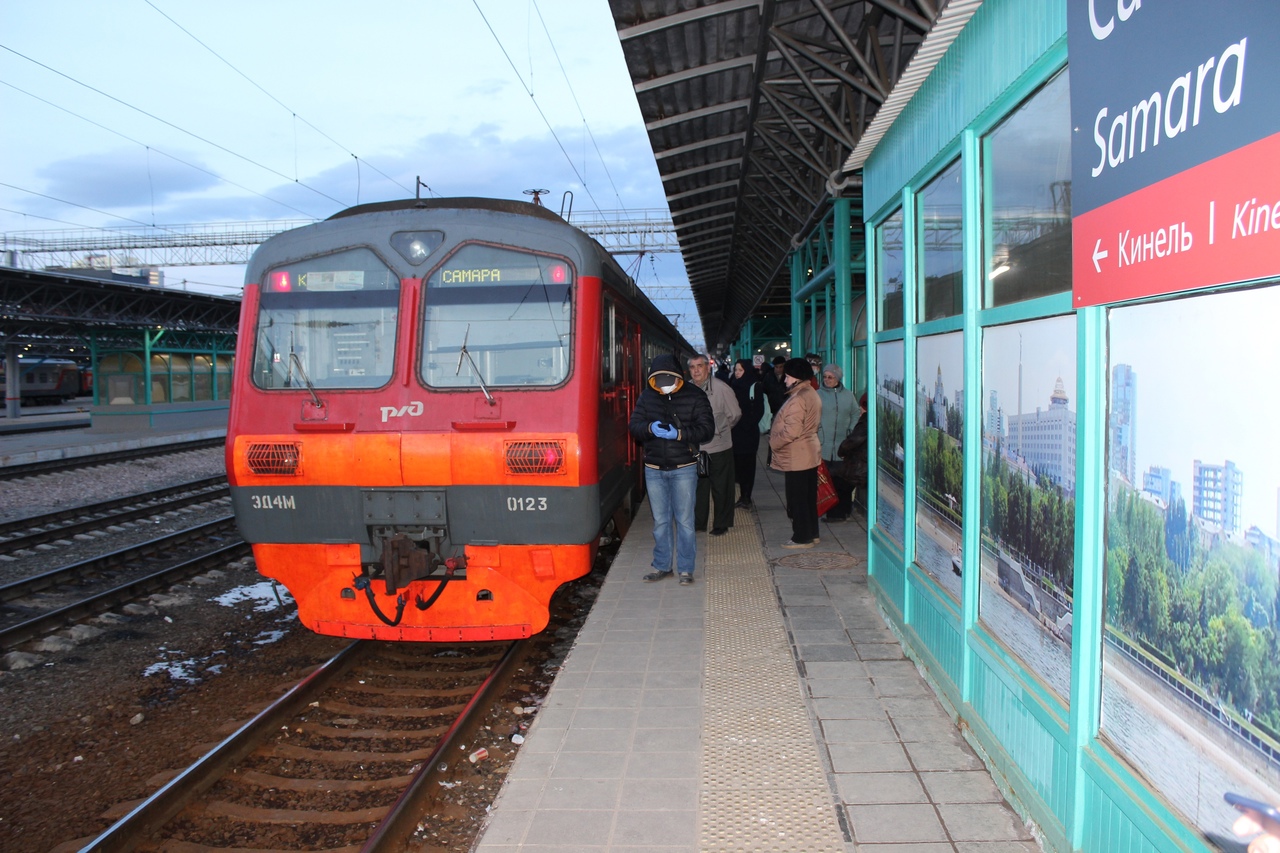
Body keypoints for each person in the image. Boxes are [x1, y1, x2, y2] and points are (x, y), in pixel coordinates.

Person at [628, 353, 714, 585]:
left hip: (684, 466)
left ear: (678, 377)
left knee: (685, 521)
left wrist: (679, 434)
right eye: (659, 380)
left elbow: (707, 429)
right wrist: (648, 427)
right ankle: (662, 565)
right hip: (654, 468)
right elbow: (634, 425)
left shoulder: (695, 395)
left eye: (668, 380)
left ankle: (686, 568)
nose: (664, 385)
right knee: (661, 521)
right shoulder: (648, 396)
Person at [770, 357, 822, 548]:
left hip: (797, 455)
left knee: (797, 499)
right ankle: (812, 533)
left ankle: (802, 537)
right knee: (808, 497)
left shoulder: (798, 399)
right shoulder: (811, 393)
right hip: (808, 453)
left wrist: (774, 442)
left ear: (797, 378)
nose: (785, 380)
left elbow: (792, 431)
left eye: (788, 376)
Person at [688, 353, 740, 536]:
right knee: (699, 486)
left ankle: (721, 523)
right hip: (697, 449)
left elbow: (735, 414)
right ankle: (698, 523)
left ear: (707, 368)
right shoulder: (686, 389)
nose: (696, 370)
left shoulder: (721, 388)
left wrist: (720, 430)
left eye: (699, 366)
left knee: (721, 486)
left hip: (719, 447)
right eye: (692, 367)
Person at [817, 364, 857, 521]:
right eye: (825, 376)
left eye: (830, 377)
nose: (827, 380)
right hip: (824, 446)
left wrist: (851, 430)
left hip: (843, 446)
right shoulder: (817, 395)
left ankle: (843, 511)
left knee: (843, 481)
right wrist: (818, 431)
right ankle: (832, 513)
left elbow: (855, 413)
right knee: (828, 481)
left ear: (838, 378)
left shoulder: (848, 395)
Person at [728, 358, 765, 509]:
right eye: (736, 370)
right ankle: (742, 495)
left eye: (740, 370)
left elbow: (758, 410)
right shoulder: (732, 385)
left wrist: (747, 424)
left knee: (748, 465)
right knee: (737, 464)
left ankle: (746, 496)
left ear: (747, 371)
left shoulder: (755, 386)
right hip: (734, 432)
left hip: (748, 434)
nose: (737, 373)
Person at [837, 393, 869, 514]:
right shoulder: (868, 421)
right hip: (861, 461)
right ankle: (843, 512)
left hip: (859, 463)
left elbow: (854, 440)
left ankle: (840, 513)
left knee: (842, 485)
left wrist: (842, 449)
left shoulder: (864, 422)